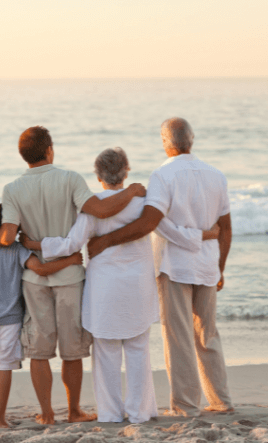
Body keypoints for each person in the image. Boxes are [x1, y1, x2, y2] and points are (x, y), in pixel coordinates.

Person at [22, 147, 218, 423]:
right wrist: (206, 235)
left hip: (104, 287)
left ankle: (111, 413)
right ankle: (140, 413)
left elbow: (70, 245)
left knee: (105, 353)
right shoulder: (143, 203)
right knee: (138, 350)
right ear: (126, 172)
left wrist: (34, 244)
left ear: (98, 175)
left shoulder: (92, 207)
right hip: (138, 285)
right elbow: (171, 232)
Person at [0, 126, 146, 425]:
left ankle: (47, 413)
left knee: (39, 349)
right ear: (50, 150)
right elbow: (99, 210)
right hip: (71, 276)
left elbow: (8, 235)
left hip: (34, 279)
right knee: (71, 349)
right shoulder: (70, 178)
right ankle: (73, 410)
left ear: (23, 155)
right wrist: (133, 191)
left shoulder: (11, 189)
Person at [88, 118, 234, 417]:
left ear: (166, 142)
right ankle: (220, 400)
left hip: (175, 265)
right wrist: (220, 266)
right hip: (207, 264)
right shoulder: (216, 175)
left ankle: (186, 405)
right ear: (191, 140)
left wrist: (106, 241)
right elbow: (226, 228)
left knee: (178, 335)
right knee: (207, 335)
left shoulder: (163, 175)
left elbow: (149, 222)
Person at [0, 204, 84, 428]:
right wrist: (70, 261)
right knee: (4, 367)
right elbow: (40, 269)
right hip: (10, 318)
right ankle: (1, 419)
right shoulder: (19, 251)